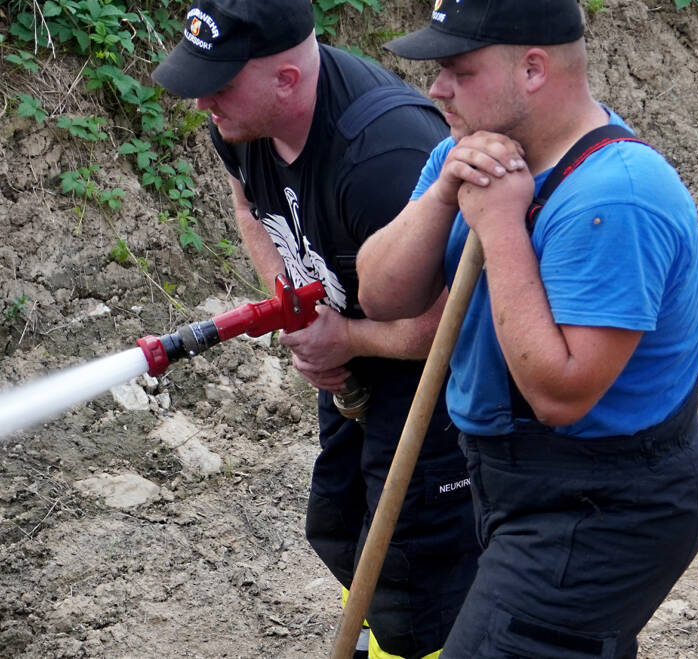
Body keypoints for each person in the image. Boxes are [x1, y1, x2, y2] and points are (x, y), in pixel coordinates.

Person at [356, 1, 698, 657]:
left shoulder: (616, 196)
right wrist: (442, 197)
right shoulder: (465, 152)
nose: (435, 88)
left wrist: (498, 224)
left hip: (606, 506)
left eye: (458, 70)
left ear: (532, 69)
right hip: (506, 476)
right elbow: (380, 296)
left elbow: (560, 393)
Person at [152, 1, 481, 657]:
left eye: (219, 84)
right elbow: (248, 201)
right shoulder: (241, 123)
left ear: (286, 80)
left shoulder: (384, 155)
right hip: (358, 358)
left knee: (413, 571)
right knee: (338, 522)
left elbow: (461, 314)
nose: (202, 105)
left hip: (435, 385)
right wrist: (297, 304)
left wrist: (349, 339)